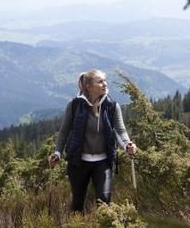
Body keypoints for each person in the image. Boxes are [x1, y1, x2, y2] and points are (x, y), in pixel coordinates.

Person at [49, 69, 137, 212]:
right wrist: (57, 153)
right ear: (89, 86)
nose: (105, 84)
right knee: (77, 204)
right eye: (100, 81)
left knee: (105, 203)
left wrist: (128, 145)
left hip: (103, 162)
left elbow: (120, 131)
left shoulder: (112, 106)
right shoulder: (74, 105)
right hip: (78, 163)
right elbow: (64, 131)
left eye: (105, 80)